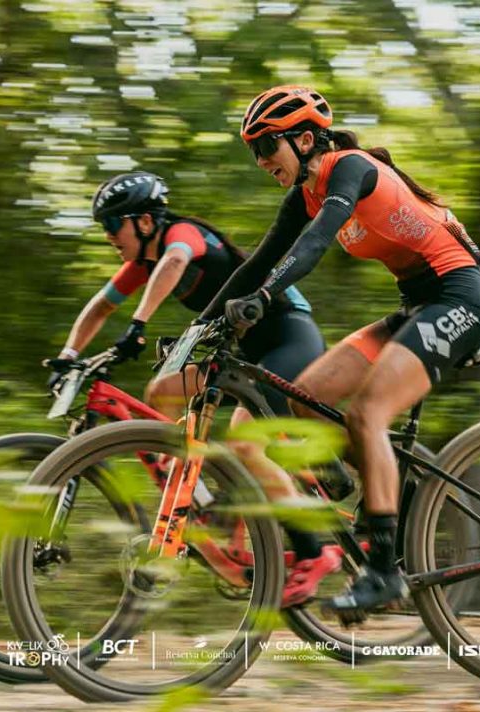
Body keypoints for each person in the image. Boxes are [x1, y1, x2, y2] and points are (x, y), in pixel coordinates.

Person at [200, 86, 480, 614]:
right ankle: (373, 479)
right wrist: (197, 331)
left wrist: (266, 298)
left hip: (460, 299)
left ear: (306, 138)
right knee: (302, 397)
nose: (262, 160)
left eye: (267, 147)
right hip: (415, 307)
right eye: (254, 151)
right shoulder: (302, 194)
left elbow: (313, 245)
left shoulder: (350, 168)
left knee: (367, 412)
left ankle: (384, 570)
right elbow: (254, 264)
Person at [44, 171, 340, 606]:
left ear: (145, 222)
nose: (109, 237)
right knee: (161, 391)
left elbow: (176, 262)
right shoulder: (140, 264)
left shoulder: (181, 235)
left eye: (112, 226)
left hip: (286, 334)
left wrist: (139, 325)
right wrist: (69, 354)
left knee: (245, 443)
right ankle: (199, 490)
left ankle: (315, 549)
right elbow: (101, 305)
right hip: (240, 353)